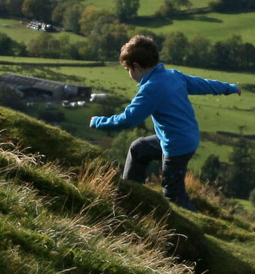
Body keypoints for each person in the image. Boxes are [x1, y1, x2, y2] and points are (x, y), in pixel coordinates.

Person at [89, 34, 241, 210]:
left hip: (177, 146)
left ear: (136, 67)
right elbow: (203, 84)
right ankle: (128, 196)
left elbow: (128, 120)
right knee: (139, 149)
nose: (129, 73)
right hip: (183, 136)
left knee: (173, 195)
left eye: (127, 69)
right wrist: (229, 88)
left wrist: (99, 122)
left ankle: (196, 228)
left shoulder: (151, 89)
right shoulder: (172, 76)